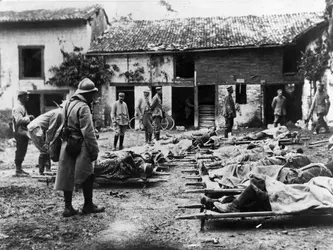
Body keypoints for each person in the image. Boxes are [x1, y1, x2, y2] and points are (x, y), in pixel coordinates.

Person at [54, 78, 105, 217]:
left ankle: (68, 207)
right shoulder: (83, 107)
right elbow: (88, 132)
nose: (93, 97)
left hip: (67, 142)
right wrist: (94, 150)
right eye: (92, 94)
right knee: (88, 174)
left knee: (67, 174)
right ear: (87, 94)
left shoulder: (67, 104)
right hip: (80, 143)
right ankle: (88, 205)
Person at [27, 105, 64, 175]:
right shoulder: (59, 113)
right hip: (36, 128)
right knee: (44, 150)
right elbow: (51, 130)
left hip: (37, 128)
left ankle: (47, 170)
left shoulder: (58, 112)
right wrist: (47, 143)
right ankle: (42, 171)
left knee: (46, 151)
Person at [12, 90, 34, 177]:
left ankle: (19, 169)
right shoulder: (18, 107)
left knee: (23, 149)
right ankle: (18, 170)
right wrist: (29, 118)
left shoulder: (22, 106)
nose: (28, 97)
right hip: (19, 131)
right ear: (21, 97)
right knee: (20, 150)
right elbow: (18, 120)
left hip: (22, 131)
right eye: (26, 96)